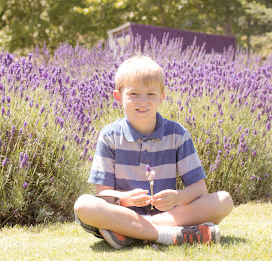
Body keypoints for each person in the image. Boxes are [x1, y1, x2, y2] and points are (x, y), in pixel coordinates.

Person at [74, 55, 234, 249]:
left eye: (151, 94)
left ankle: (130, 233)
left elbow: (200, 189)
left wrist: (178, 197)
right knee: (84, 205)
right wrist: (125, 198)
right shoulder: (109, 136)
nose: (143, 101)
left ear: (162, 96)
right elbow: (104, 195)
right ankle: (170, 235)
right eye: (133, 94)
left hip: (170, 215)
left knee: (224, 200)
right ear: (118, 97)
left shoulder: (177, 134)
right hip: (124, 214)